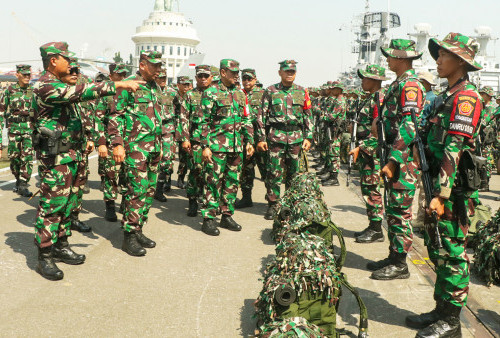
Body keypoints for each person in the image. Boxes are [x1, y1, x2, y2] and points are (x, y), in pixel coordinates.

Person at [32, 42, 141, 280]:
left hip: (73, 154)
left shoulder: (62, 83)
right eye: (67, 60)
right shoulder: (45, 85)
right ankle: (45, 256)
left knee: (69, 204)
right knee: (53, 206)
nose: (71, 66)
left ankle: (61, 245)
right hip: (56, 158)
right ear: (53, 61)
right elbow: (81, 92)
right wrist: (117, 84)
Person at [405, 32, 484, 338]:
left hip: (453, 192)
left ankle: (451, 322)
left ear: (461, 62)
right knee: (438, 248)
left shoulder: (465, 98)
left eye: (444, 55)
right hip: (438, 184)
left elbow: (454, 148)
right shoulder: (445, 97)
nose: (437, 60)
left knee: (452, 253)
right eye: (437, 54)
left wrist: (441, 194)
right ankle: (441, 310)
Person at [360, 39, 426, 280]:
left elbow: (411, 124)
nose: (386, 59)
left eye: (390, 55)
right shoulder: (397, 84)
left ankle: (400, 264)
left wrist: (393, 160)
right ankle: (393, 254)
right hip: (394, 155)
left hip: (403, 160)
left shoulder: (410, 85)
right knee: (393, 210)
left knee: (400, 212)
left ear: (401, 58)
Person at [109, 50, 163, 256]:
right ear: (142, 65)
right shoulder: (128, 85)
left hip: (154, 148)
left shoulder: (154, 86)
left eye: (160, 66)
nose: (158, 69)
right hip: (136, 149)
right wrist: (117, 144)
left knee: (149, 191)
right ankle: (128, 236)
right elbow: (116, 115)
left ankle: (139, 228)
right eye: (155, 66)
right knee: (135, 192)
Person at [199, 59, 254, 236]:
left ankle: (226, 215)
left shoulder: (240, 94)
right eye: (232, 72)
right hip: (217, 147)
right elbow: (203, 121)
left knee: (232, 182)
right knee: (213, 182)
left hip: (236, 147)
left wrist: (250, 141)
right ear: (223, 73)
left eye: (237, 72)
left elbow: (246, 118)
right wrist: (205, 146)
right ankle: (208, 218)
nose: (236, 75)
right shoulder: (211, 93)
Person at [256, 60, 313, 220]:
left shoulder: (302, 91)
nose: (290, 74)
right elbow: (261, 116)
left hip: (295, 138)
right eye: (286, 71)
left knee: (294, 174)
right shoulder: (270, 91)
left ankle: (290, 205)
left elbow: (308, 115)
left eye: (292, 71)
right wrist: (261, 138)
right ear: (280, 72)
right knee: (274, 173)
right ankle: (273, 205)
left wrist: (308, 137)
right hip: (276, 137)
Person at [349, 65, 390, 243]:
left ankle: (376, 230)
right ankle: (372, 225)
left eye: (365, 78)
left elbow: (380, 132)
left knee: (372, 189)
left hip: (372, 152)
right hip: (366, 150)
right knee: (367, 188)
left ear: (374, 80)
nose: (362, 81)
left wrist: (362, 146)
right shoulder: (370, 98)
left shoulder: (379, 99)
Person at [95, 63, 129, 221]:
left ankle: (124, 202)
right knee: (110, 175)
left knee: (127, 174)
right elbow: (99, 119)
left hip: (130, 141)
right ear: (111, 77)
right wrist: (101, 142)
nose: (122, 78)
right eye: (119, 75)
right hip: (110, 142)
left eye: (124, 75)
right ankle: (109, 206)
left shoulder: (132, 92)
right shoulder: (106, 95)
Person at [180, 65, 213, 216]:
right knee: (195, 171)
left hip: (215, 140)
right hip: (196, 140)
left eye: (206, 76)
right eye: (200, 76)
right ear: (196, 78)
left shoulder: (217, 94)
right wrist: (185, 139)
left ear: (211, 77)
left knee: (212, 174)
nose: (203, 79)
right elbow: (183, 119)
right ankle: (192, 201)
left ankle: (210, 202)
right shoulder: (190, 96)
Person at [0, 64, 35, 197]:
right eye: (24, 74)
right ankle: (18, 179)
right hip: (14, 130)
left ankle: (23, 184)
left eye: (29, 75)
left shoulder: (33, 90)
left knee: (27, 157)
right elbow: (1, 113)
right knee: (14, 158)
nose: (27, 77)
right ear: (17, 75)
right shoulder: (10, 90)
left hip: (29, 130)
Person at [235, 68, 267, 209]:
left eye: (249, 79)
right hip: (245, 139)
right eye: (244, 79)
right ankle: (246, 198)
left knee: (267, 169)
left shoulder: (263, 95)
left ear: (255, 79)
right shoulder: (238, 94)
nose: (246, 82)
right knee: (246, 170)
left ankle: (273, 201)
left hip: (260, 138)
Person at [154, 69, 179, 202]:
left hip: (168, 128)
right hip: (152, 128)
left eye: (165, 77)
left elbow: (180, 108)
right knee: (151, 158)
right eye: (160, 77)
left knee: (167, 159)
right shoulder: (151, 91)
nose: (163, 80)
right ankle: (148, 188)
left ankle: (159, 189)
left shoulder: (172, 93)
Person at [477, 86, 496, 191]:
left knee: (486, 159)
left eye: (482, 94)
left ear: (488, 96)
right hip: (482, 137)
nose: (480, 96)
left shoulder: (490, 108)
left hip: (486, 138)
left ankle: (485, 184)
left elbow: (483, 122)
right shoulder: (484, 106)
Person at [175, 76, 192, 189]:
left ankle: (183, 178)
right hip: (176, 129)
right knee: (178, 158)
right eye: (184, 85)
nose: (186, 87)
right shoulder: (174, 97)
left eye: (188, 85)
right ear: (178, 85)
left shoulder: (191, 97)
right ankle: (173, 179)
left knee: (187, 158)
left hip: (188, 129)